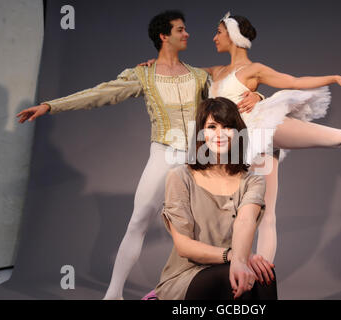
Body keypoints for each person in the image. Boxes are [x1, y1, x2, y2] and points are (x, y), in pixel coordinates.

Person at [140, 12, 341, 267]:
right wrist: (158, 62)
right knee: (265, 212)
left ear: (234, 36)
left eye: (219, 32)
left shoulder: (253, 69)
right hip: (244, 139)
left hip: (262, 125)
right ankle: (261, 276)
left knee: (337, 139)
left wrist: (334, 77)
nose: (214, 37)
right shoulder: (214, 71)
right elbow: (182, 73)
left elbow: (294, 81)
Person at [15, 10, 263, 300]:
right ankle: (114, 295)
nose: (187, 34)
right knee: (138, 222)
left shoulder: (198, 75)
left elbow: (227, 101)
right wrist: (50, 105)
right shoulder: (143, 74)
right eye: (180, 29)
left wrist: (258, 96)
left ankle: (191, 288)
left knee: (206, 228)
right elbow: (100, 93)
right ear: (163, 36)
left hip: (199, 160)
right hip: (164, 154)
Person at [154, 97, 277, 300]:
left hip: (233, 264)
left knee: (264, 275)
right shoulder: (180, 177)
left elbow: (245, 221)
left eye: (227, 126)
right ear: (201, 133)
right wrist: (235, 258)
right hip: (186, 276)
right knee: (231, 277)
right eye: (212, 126)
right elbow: (184, 246)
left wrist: (241, 260)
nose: (219, 134)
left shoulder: (253, 181)